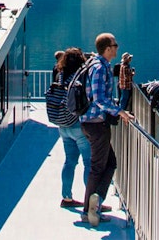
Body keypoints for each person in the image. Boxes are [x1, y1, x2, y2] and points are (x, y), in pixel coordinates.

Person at [80, 33, 135, 227]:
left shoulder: (99, 66)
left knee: (110, 163)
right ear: (107, 48)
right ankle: (89, 210)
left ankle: (96, 200)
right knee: (98, 167)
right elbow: (99, 99)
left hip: (92, 123)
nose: (117, 48)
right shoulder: (99, 68)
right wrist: (121, 112)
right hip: (96, 124)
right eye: (115, 45)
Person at [53, 48, 90, 208]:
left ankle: (66, 197)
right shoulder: (80, 77)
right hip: (77, 125)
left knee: (69, 161)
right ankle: (91, 202)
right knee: (89, 163)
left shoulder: (60, 75)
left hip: (63, 125)